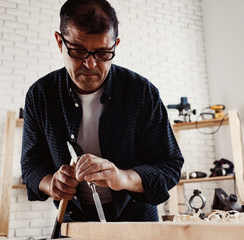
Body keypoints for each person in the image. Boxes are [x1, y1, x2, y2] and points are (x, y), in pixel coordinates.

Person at [21, 0, 183, 222]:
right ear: (60, 42)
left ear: (115, 45)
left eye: (103, 53)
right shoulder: (40, 95)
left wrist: (123, 178)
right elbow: (30, 166)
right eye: (78, 51)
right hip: (73, 218)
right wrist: (51, 184)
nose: (90, 64)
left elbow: (170, 165)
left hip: (137, 219)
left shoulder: (142, 92)